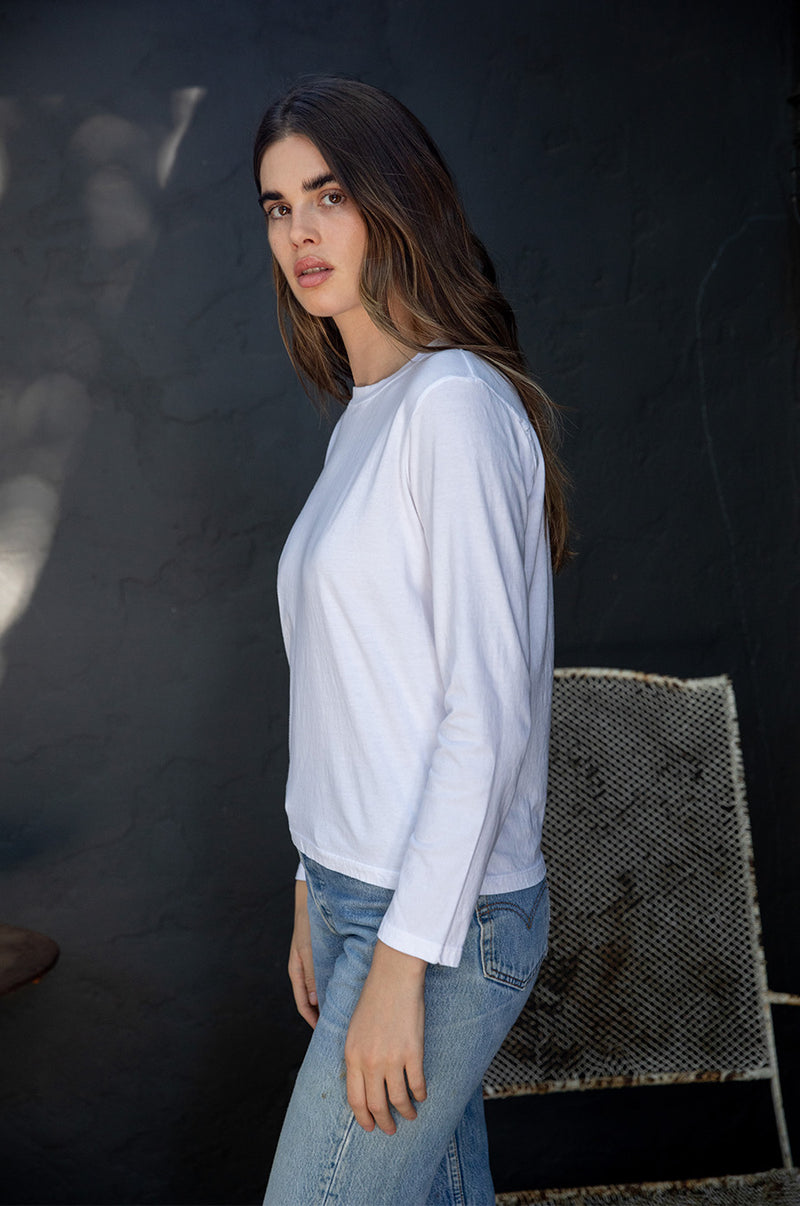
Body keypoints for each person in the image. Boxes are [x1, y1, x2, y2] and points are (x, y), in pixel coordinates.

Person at [253, 76, 569, 1206]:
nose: (300, 231)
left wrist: (398, 968)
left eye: (326, 195)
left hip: (437, 921)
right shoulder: (363, 419)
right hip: (351, 895)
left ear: (395, 201)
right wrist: (307, 880)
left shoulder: (455, 406)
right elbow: (342, 688)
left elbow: (482, 713)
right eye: (278, 206)